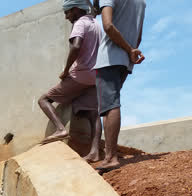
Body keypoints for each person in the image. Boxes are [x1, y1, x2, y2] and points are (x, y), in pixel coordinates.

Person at [37, 0, 101, 162]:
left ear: (75, 9)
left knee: (44, 100)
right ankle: (94, 152)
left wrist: (65, 70)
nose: (66, 17)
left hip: (79, 75)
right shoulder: (95, 23)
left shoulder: (80, 23)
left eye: (67, 12)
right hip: (95, 76)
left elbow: (76, 46)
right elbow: (93, 9)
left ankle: (60, 129)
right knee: (93, 114)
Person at [93, 0, 146, 172]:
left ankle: (111, 158)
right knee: (111, 104)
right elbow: (139, 36)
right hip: (125, 60)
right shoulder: (141, 2)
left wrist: (128, 49)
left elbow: (107, 26)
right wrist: (130, 50)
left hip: (109, 58)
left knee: (110, 105)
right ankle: (110, 155)